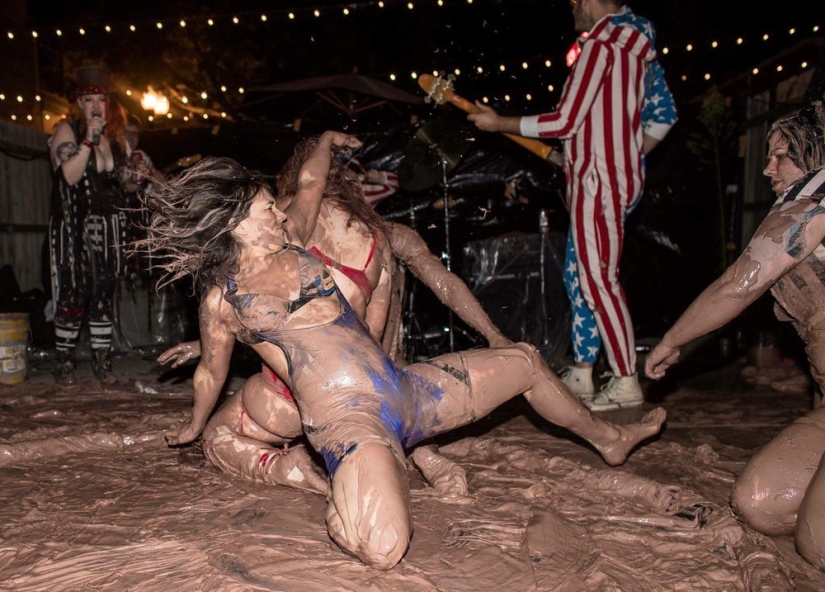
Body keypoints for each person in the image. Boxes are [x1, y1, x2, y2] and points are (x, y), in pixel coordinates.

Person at [140, 137, 666, 569]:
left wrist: (322, 141)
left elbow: (308, 182)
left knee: (525, 361)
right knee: (386, 548)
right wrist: (193, 426)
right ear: (236, 223)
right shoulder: (223, 301)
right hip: (349, 424)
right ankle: (339, 496)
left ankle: (610, 439)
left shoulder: (294, 242)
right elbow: (212, 372)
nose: (278, 213)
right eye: (264, 208)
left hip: (407, 392)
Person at [158, 134, 512, 495]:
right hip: (382, 394)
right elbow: (444, 284)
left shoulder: (277, 225)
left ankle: (285, 466)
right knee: (394, 365)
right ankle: (427, 455)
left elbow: (266, 319)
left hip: (293, 401)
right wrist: (493, 333)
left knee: (219, 434)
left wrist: (207, 350)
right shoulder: (386, 234)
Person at [468, 0, 676, 412]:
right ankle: (583, 371)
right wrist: (626, 159)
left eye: (577, 1)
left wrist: (500, 124)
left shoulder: (600, 47)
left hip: (598, 182)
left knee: (598, 280)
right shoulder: (636, 48)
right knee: (582, 275)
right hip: (607, 179)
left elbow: (565, 121)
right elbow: (663, 115)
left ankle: (624, 378)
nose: (573, 8)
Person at [645, 104, 825, 570]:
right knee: (759, 502)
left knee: (818, 541)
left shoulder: (816, 198)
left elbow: (737, 286)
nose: (767, 169)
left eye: (781, 155)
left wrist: (671, 341)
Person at [48, 65, 150, 385]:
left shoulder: (118, 138)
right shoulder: (68, 131)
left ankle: (102, 362)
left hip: (109, 227)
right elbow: (68, 175)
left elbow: (130, 186)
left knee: (105, 292)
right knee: (74, 291)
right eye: (89, 99)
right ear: (79, 102)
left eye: (101, 100)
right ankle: (64, 362)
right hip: (74, 228)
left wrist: (138, 171)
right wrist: (88, 142)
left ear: (109, 104)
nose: (95, 106)